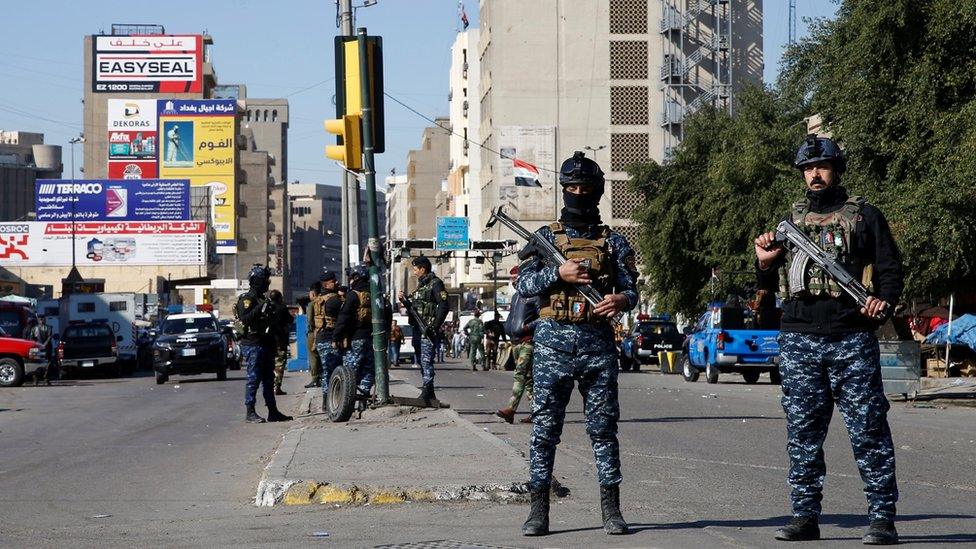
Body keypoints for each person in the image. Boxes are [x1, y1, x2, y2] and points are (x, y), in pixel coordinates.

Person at [755, 135, 903, 545]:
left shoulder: (865, 215)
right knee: (803, 432)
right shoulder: (791, 221)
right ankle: (804, 516)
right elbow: (766, 288)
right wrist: (764, 263)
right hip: (800, 337)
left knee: (869, 428)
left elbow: (890, 270)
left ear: (836, 170)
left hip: (851, 337)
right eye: (807, 168)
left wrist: (882, 303)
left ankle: (882, 518)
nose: (814, 175)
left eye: (821, 167)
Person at [515, 151, 638, 537]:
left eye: (585, 188)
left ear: (597, 191)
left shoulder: (614, 242)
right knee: (545, 430)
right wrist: (558, 272)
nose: (578, 193)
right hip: (553, 346)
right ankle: (538, 511)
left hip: (597, 345)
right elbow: (523, 285)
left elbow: (631, 287)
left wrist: (622, 300)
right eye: (571, 187)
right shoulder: (545, 239)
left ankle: (612, 510)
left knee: (603, 429)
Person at [235, 264, 293, 424]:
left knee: (269, 379)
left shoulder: (264, 299)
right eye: (264, 280)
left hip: (267, 342)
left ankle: (273, 411)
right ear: (257, 281)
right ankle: (250, 411)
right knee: (253, 379)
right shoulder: (247, 299)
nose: (267, 283)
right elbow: (245, 319)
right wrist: (260, 308)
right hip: (253, 343)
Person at [398, 256, 449, 401]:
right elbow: (415, 307)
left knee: (426, 360)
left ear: (423, 269)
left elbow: (444, 305)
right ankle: (429, 390)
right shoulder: (421, 286)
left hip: (427, 329)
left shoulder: (436, 284)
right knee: (421, 359)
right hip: (417, 328)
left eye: (415, 269)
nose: (414, 272)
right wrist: (405, 300)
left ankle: (427, 389)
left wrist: (434, 326)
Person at [497, 265, 539, 424]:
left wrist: (527, 327)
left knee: (520, 374)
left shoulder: (534, 296)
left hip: (528, 342)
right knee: (528, 379)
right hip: (515, 342)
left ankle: (511, 409)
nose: (512, 281)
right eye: (511, 278)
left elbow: (543, 317)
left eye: (515, 278)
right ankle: (536, 413)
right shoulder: (515, 297)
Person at [334, 265, 376, 397]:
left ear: (356, 278)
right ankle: (364, 397)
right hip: (371, 338)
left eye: (352, 278)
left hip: (355, 338)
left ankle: (346, 400)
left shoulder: (353, 295)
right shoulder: (374, 293)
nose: (350, 281)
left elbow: (343, 317)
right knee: (368, 369)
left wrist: (336, 337)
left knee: (349, 371)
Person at [313, 271, 345, 410]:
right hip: (330, 339)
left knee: (327, 371)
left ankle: (326, 402)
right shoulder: (334, 300)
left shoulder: (319, 299)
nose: (336, 282)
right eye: (333, 281)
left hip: (320, 339)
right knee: (334, 372)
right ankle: (331, 401)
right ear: (326, 284)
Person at [268, 290, 293, 396]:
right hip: (280, 340)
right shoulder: (282, 308)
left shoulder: (267, 307)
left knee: (269, 364)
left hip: (268, 340)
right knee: (280, 364)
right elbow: (290, 320)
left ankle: (269, 386)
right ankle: (276, 387)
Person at [304, 282, 323, 389]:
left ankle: (315, 378)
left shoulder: (311, 304)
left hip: (313, 332)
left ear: (313, 294)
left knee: (313, 356)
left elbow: (310, 320)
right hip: (323, 331)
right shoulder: (323, 300)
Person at [29, 316, 55, 386]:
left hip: (43, 348)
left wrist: (42, 345)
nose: (41, 320)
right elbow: (31, 339)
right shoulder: (34, 328)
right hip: (40, 348)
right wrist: (42, 345)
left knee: (47, 364)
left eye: (42, 319)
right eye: (40, 319)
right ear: (38, 320)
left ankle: (45, 379)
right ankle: (37, 379)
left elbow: (49, 337)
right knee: (37, 364)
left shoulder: (47, 328)